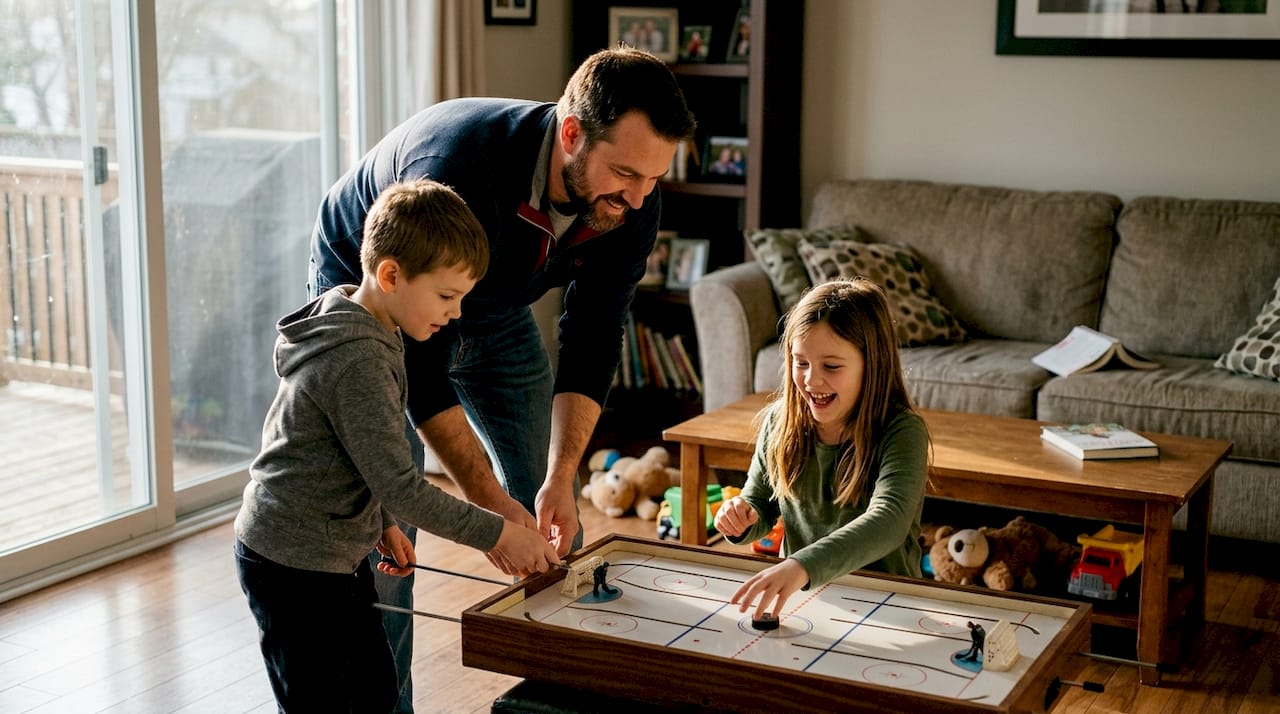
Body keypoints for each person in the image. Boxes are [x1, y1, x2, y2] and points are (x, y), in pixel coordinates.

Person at [308, 47, 695, 711]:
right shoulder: (462, 168)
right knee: (388, 531)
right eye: (626, 173)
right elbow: (424, 375)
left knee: (551, 512)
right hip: (382, 304)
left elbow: (596, 331)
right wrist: (486, 506)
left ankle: (555, 696)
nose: (637, 198)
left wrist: (558, 475)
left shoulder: (631, 202)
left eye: (652, 178)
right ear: (571, 132)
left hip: (494, 306)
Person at [235, 180, 561, 713]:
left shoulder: (373, 325)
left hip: (331, 554)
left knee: (374, 693)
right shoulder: (358, 360)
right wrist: (498, 534)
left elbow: (361, 452)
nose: (456, 314)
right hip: (292, 563)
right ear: (390, 275)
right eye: (446, 296)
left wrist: (381, 520)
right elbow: (406, 487)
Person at [713, 278, 931, 623]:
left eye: (831, 366)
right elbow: (759, 503)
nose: (812, 381)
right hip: (808, 601)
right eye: (801, 363)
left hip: (887, 603)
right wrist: (740, 517)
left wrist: (801, 565)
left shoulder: (902, 431)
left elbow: (888, 521)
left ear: (871, 364)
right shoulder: (779, 421)